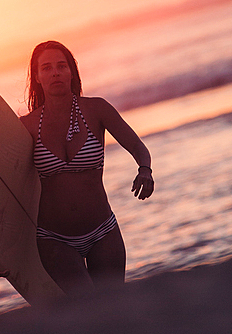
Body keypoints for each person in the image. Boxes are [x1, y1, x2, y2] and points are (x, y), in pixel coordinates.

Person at [19, 39, 154, 296]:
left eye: (62, 65)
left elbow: (138, 147)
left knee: (113, 309)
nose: (55, 72)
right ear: (36, 76)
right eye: (46, 68)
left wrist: (144, 170)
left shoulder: (96, 109)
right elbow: (5, 185)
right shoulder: (26, 126)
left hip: (104, 231)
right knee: (89, 305)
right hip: (54, 240)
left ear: (72, 71)